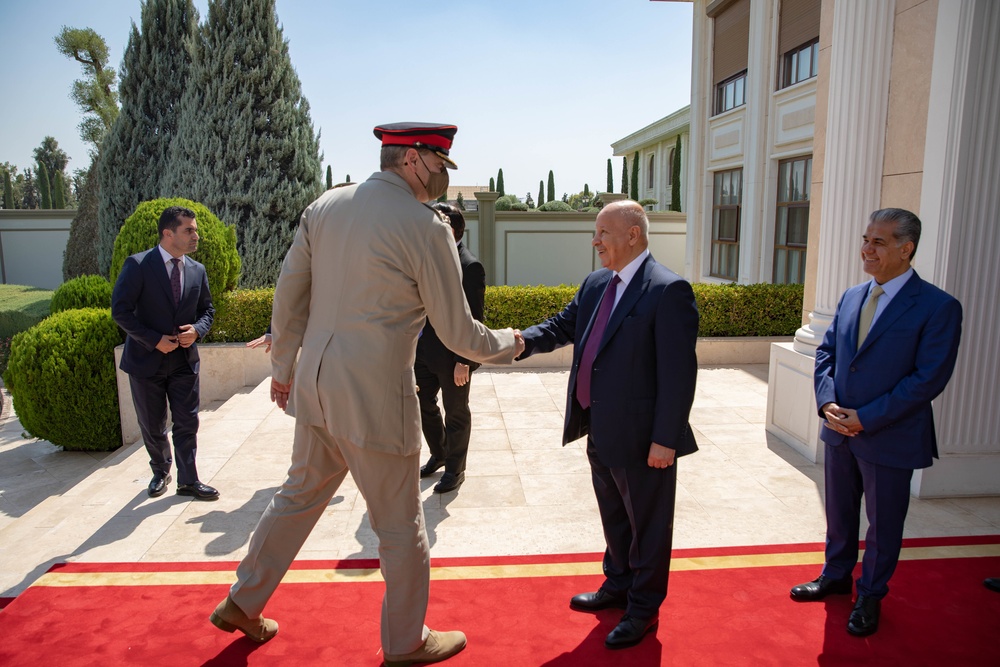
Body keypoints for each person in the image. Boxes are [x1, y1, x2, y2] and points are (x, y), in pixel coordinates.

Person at [209, 122, 524, 666]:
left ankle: (243, 599)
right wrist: (513, 343)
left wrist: (283, 368)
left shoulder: (326, 206)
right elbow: (458, 332)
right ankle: (405, 641)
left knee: (298, 495)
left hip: (316, 384)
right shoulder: (425, 227)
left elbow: (289, 296)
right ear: (413, 161)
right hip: (374, 395)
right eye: (440, 167)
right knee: (401, 527)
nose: (442, 179)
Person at [516, 200, 699, 650]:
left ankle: (643, 608)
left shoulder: (668, 290)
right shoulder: (597, 283)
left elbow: (679, 375)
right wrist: (517, 343)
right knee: (615, 516)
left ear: (633, 234)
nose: (594, 240)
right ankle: (617, 585)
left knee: (649, 526)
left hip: (643, 438)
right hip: (599, 426)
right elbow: (563, 326)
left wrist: (664, 440)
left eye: (602, 232)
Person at [791, 208, 963, 637]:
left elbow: (928, 379)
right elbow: (827, 354)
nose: (866, 248)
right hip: (838, 431)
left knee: (884, 524)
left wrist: (866, 418)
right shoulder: (852, 296)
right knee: (840, 513)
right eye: (866, 239)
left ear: (906, 250)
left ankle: (870, 594)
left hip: (890, 436)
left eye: (879, 242)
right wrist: (827, 403)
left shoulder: (939, 307)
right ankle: (835, 576)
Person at [111, 205, 218, 500]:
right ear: (168, 233)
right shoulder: (138, 265)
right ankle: (161, 470)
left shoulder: (197, 270)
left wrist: (197, 330)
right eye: (189, 230)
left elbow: (207, 309)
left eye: (195, 229)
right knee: (154, 424)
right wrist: (153, 340)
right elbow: (120, 311)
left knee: (187, 422)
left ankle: (189, 480)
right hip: (146, 362)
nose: (196, 235)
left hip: (184, 361)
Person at [417, 202, 486, 493]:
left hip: (453, 356)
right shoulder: (429, 256)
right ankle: (440, 452)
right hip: (424, 352)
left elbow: (474, 318)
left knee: (456, 412)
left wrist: (464, 360)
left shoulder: (470, 266)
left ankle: (456, 470)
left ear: (449, 228)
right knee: (422, 404)